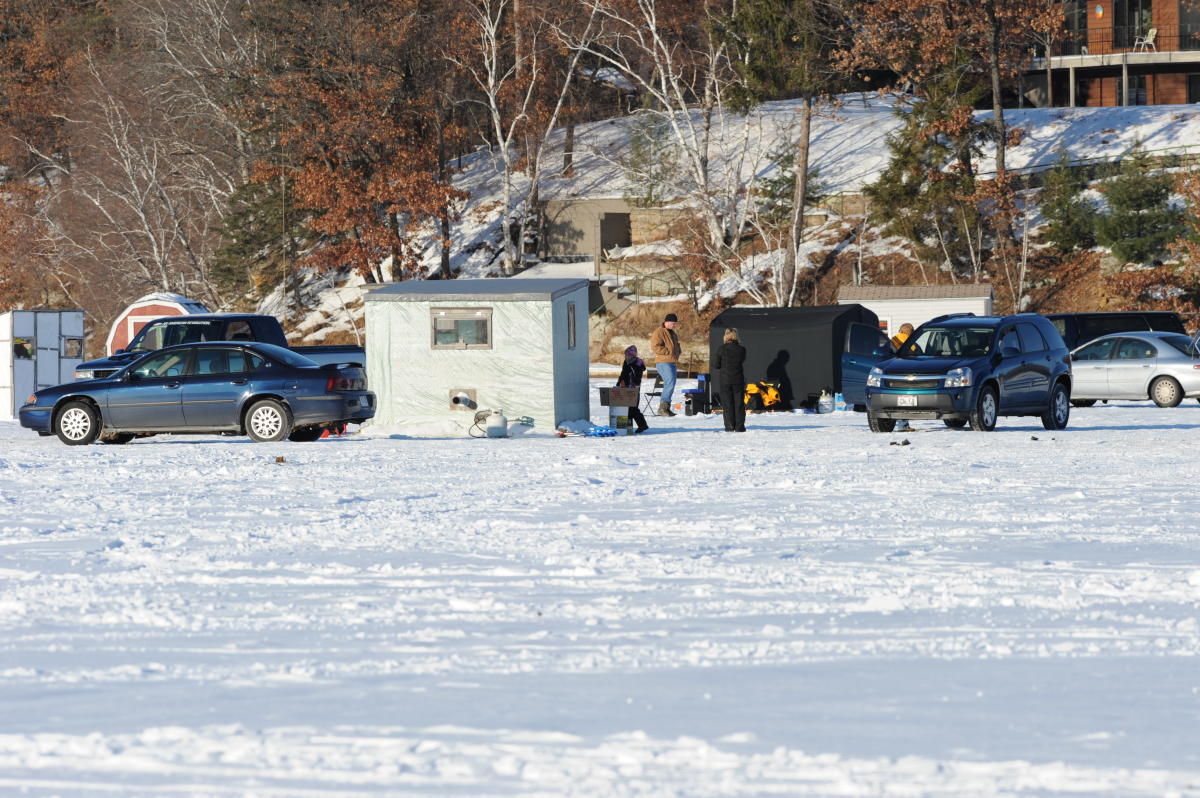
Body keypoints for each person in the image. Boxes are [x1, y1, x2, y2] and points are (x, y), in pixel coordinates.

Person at [714, 327, 747, 432]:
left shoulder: (721, 349)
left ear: (726, 336)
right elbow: (741, 361)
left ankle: (729, 426)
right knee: (739, 403)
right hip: (738, 379)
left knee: (727, 403)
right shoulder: (742, 349)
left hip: (725, 380)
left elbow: (716, 365)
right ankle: (739, 426)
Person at [649, 313, 682, 416]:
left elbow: (676, 345)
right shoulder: (659, 332)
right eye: (673, 323)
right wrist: (667, 352)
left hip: (672, 362)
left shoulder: (673, 333)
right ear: (667, 322)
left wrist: (678, 351)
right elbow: (655, 346)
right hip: (663, 362)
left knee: (671, 384)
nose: (674, 325)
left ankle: (666, 408)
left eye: (675, 323)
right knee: (670, 383)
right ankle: (662, 408)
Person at [616, 345, 649, 433]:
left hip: (634, 389)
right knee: (627, 408)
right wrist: (618, 384)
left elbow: (636, 376)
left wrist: (630, 384)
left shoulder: (637, 363)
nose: (626, 357)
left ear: (633, 355)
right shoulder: (626, 362)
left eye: (627, 355)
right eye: (625, 355)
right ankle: (628, 428)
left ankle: (642, 425)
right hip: (626, 388)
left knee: (633, 408)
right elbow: (623, 374)